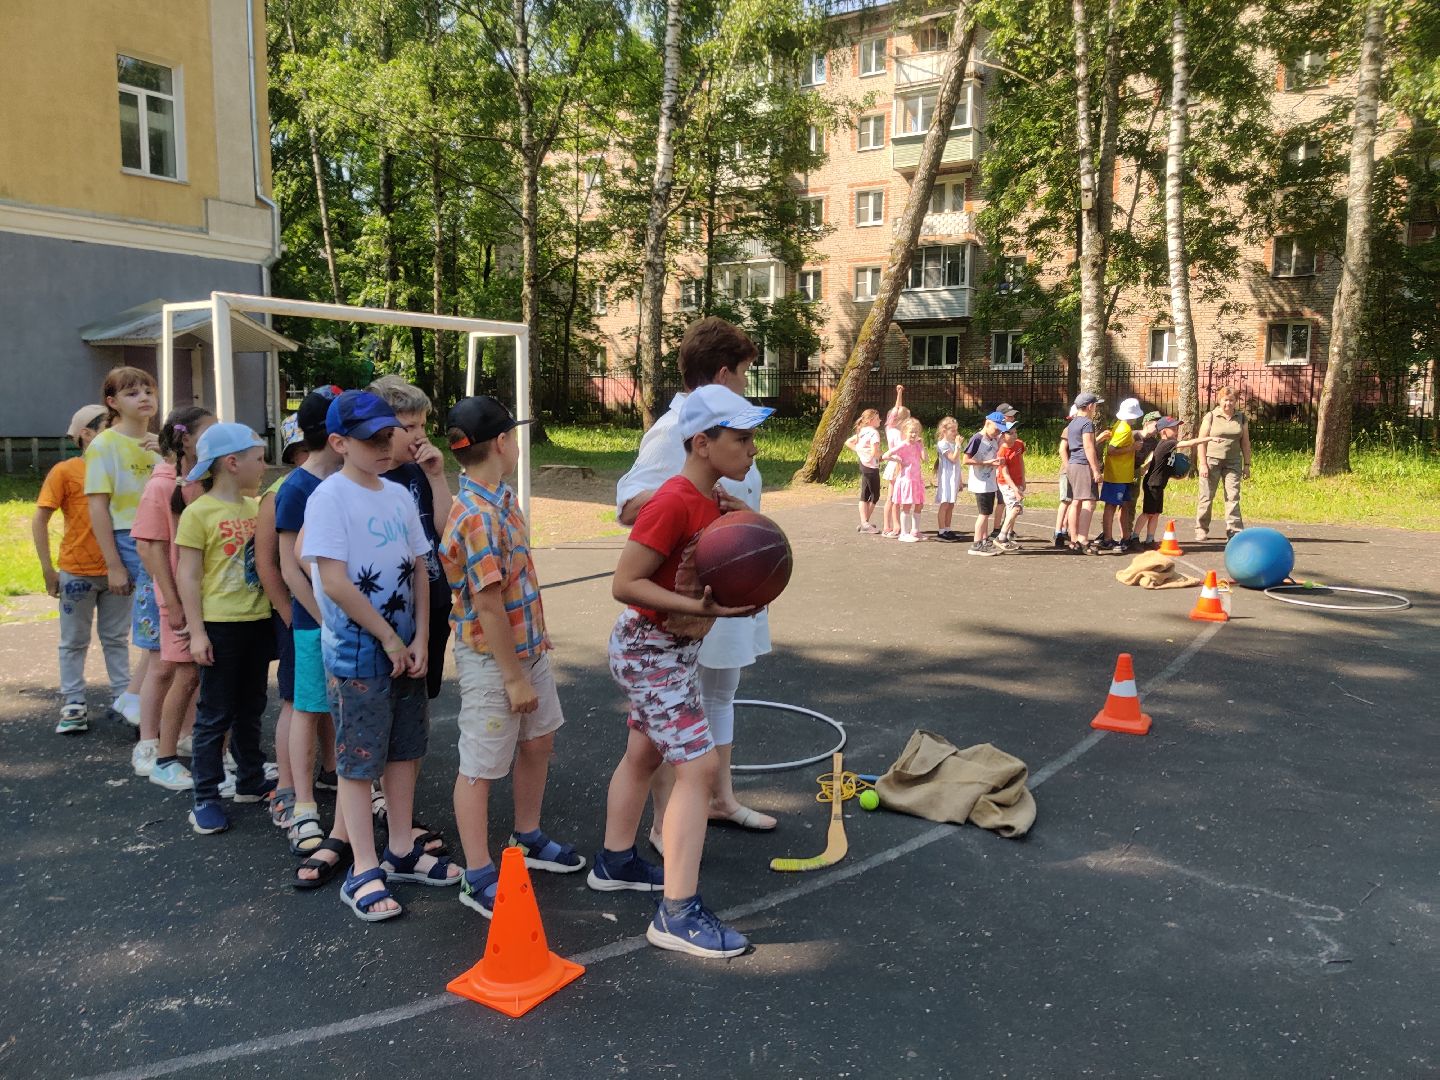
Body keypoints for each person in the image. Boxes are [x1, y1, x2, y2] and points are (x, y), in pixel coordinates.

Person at [591, 383, 770, 959]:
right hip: (649, 650)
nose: (752, 449)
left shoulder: (711, 497)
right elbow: (626, 583)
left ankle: (615, 861)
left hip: (670, 651)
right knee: (698, 769)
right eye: (740, 438)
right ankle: (678, 913)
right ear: (701, 442)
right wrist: (703, 608)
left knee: (644, 754)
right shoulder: (671, 501)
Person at [615, 316, 777, 852]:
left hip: (726, 586)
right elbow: (631, 506)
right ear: (724, 373)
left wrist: (728, 518)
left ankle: (716, 800)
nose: (747, 386)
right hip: (688, 598)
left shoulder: (724, 435)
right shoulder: (679, 431)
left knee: (712, 698)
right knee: (677, 732)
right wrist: (693, 509)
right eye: (746, 375)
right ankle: (668, 826)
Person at [303, 390, 458, 922]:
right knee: (358, 760)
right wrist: (389, 639)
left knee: (404, 749)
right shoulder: (329, 498)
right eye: (372, 439)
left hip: (403, 651)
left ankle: (399, 848)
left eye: (389, 434)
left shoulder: (394, 493)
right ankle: (363, 868)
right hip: (358, 654)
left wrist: (417, 639)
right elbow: (333, 581)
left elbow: (420, 565)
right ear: (339, 443)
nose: (386, 445)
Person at [439, 395, 583, 918]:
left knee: (539, 740)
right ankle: (477, 873)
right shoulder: (476, 516)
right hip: (494, 661)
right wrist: (513, 678)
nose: (518, 444)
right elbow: (488, 605)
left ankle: (527, 836)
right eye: (514, 436)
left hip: (529, 652)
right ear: (500, 444)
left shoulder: (500, 499)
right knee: (481, 765)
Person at [175, 423, 274, 835]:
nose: (264, 466)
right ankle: (206, 797)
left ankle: (250, 778)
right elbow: (188, 575)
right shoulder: (199, 513)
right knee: (214, 713)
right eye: (258, 458)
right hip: (220, 625)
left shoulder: (256, 509)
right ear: (232, 463)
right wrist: (197, 631)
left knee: (252, 706)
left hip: (256, 622)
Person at [260, 387, 343, 844]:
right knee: (303, 706)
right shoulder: (296, 488)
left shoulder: (340, 483)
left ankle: (339, 780)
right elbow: (289, 566)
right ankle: (297, 799)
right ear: (335, 437)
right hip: (314, 622)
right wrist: (320, 618)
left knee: (333, 707)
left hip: (337, 620)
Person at [131, 406, 215, 790]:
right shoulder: (162, 485)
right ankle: (150, 746)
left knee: (188, 672)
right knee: (166, 670)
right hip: (172, 595)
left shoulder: (202, 481)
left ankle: (181, 736)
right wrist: (174, 601)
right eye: (208, 432)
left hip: (194, 594)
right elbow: (150, 547)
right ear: (185, 439)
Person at [33, 405, 128, 735]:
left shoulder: (122, 468)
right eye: (108, 425)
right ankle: (73, 702)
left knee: (116, 637)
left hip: (119, 571)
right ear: (86, 434)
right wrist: (48, 569)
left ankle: (123, 699)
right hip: (77, 571)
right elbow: (40, 518)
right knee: (73, 640)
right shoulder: (65, 471)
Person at [84, 366, 163, 732]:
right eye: (133, 393)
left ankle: (136, 698)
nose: (144, 397)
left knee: (167, 622)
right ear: (113, 403)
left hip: (163, 535)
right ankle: (136, 699)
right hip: (131, 537)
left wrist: (167, 457)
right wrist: (113, 564)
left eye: (148, 390)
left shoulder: (160, 442)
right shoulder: (105, 445)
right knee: (164, 620)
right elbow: (98, 507)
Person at [1137, 418, 1221, 545]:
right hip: (1152, 484)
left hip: (1159, 484)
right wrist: (1208, 439)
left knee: (1156, 513)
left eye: (1177, 428)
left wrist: (1173, 474)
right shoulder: (1166, 444)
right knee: (1147, 513)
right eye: (1173, 429)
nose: (1176, 431)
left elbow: (1162, 465)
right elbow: (1190, 443)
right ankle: (1134, 537)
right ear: (1164, 432)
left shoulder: (1167, 446)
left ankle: (1149, 539)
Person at [1195, 387, 1252, 541]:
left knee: (1233, 496)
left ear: (1235, 401)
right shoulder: (1211, 416)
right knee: (1206, 495)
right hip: (1211, 461)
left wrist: (1247, 465)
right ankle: (1201, 528)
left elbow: (1245, 443)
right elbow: (1201, 441)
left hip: (1233, 462)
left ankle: (1234, 530)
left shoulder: (1241, 418)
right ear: (1219, 401)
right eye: (1225, 400)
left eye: (1231, 400)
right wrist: (1203, 464)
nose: (1228, 403)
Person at [1098, 397, 1144, 554]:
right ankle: (1108, 538)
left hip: (1124, 474)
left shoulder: (1121, 425)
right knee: (1111, 505)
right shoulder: (1124, 429)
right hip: (1117, 474)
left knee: (1124, 505)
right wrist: (1132, 447)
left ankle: (1125, 536)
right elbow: (1111, 450)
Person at [1063, 393, 1106, 555]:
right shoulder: (1087, 423)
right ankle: (1082, 539)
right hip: (1083, 464)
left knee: (1076, 501)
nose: (1095, 408)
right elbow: (1088, 447)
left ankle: (1074, 538)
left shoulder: (1073, 423)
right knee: (1089, 502)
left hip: (1073, 463)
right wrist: (1095, 469)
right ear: (1089, 406)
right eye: (1095, 405)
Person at [963, 411, 1010, 557]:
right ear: (987, 423)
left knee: (987, 512)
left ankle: (984, 540)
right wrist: (986, 463)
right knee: (983, 514)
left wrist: (997, 461)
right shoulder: (977, 439)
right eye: (996, 429)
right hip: (980, 483)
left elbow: (997, 453)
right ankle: (976, 544)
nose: (997, 433)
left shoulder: (993, 439)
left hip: (990, 481)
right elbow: (965, 460)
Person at [881, 417, 926, 543]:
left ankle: (915, 530)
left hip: (916, 479)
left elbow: (925, 459)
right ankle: (904, 533)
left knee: (919, 504)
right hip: (906, 479)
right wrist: (898, 460)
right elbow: (885, 455)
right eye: (911, 431)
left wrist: (922, 446)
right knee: (906, 505)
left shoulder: (917, 445)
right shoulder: (903, 445)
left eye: (916, 432)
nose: (914, 434)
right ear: (905, 432)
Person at [843, 408, 882, 533]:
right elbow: (875, 452)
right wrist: (883, 456)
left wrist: (860, 451)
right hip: (870, 466)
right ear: (871, 421)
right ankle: (865, 523)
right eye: (877, 418)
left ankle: (865, 523)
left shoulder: (862, 431)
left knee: (865, 494)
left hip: (864, 464)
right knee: (875, 495)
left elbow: (848, 442)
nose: (880, 420)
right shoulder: (873, 433)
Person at [880, 387, 909, 538]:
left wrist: (899, 393)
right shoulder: (897, 433)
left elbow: (897, 410)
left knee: (892, 497)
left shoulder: (890, 428)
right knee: (893, 498)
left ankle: (889, 525)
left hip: (895, 464)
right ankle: (894, 526)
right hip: (897, 464)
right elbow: (899, 453)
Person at [996, 420, 1027, 551]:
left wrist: (1023, 479)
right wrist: (1015, 489)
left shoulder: (1019, 444)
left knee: (1012, 510)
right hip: (1006, 483)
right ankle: (1001, 537)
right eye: (1010, 433)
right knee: (1016, 508)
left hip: (1018, 481)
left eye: (1015, 432)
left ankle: (1007, 535)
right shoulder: (1002, 451)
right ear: (1003, 435)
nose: (1014, 435)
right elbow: (1005, 473)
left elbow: (1020, 460)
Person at [1053, 404, 1079, 548]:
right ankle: (1058, 532)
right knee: (1066, 501)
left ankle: (1065, 529)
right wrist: (1068, 467)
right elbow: (1062, 449)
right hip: (1068, 471)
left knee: (1074, 501)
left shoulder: (1083, 429)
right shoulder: (1069, 429)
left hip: (1078, 471)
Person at [933, 416, 961, 541]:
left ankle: (948, 528)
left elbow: (958, 463)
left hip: (953, 477)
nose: (956, 433)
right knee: (945, 504)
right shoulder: (943, 444)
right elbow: (953, 458)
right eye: (953, 431)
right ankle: (941, 530)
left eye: (956, 430)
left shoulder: (952, 443)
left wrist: (960, 480)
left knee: (951, 504)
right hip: (946, 478)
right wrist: (958, 446)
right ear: (944, 431)